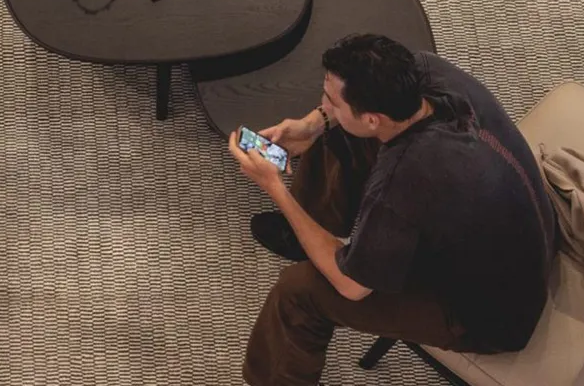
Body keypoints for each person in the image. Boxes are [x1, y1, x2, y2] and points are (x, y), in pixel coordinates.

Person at [229, 34, 556, 386]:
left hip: (492, 314)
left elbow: (353, 287)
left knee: (299, 291)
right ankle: (306, 233)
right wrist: (317, 123)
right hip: (522, 233)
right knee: (342, 132)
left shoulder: (405, 180)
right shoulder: (427, 71)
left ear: (373, 118)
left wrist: (275, 187)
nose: (323, 104)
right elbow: (352, 122)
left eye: (330, 101)